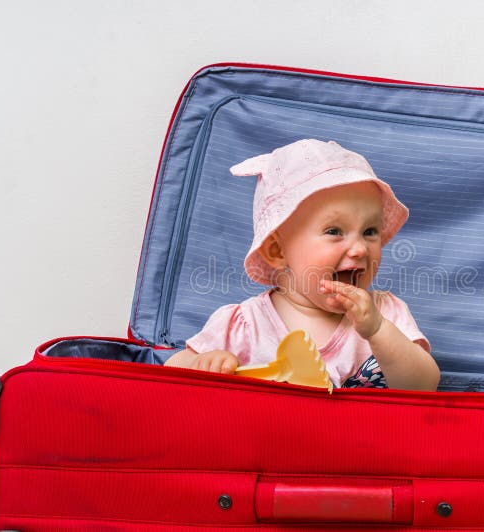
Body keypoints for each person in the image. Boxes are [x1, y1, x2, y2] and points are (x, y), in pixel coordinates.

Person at [165, 139, 439, 391]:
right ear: (276, 250)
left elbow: (423, 387)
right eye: (334, 231)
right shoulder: (244, 324)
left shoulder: (386, 313)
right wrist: (203, 364)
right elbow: (170, 370)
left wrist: (378, 331)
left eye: (370, 232)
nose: (359, 249)